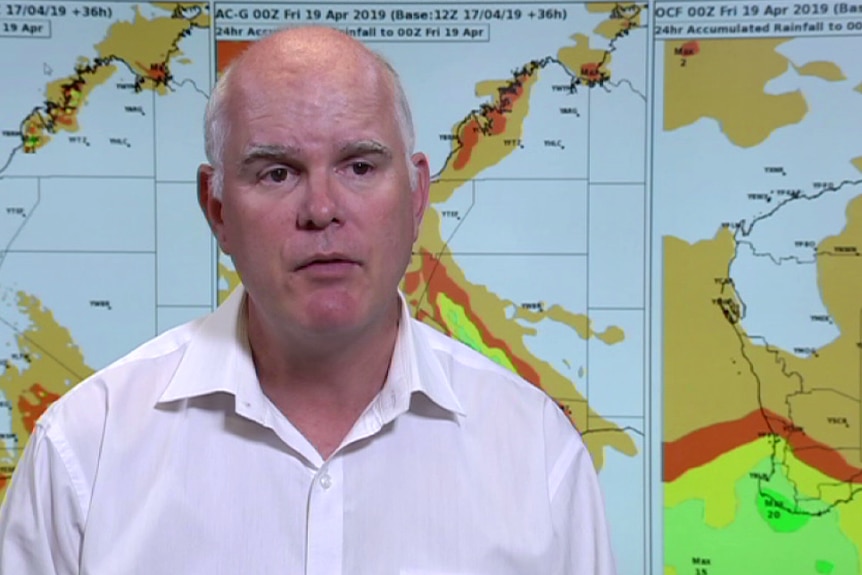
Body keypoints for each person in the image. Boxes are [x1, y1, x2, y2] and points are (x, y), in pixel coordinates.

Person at [0, 27, 616, 574]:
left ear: (417, 194)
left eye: (358, 167)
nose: (321, 210)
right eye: (277, 172)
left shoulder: (539, 454)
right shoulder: (83, 452)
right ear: (217, 210)